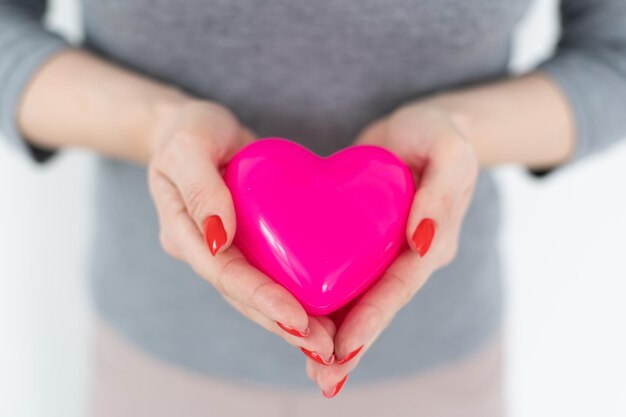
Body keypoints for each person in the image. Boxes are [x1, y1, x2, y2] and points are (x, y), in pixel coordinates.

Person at [1, 1, 625, 416]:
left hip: (436, 371)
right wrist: (154, 125)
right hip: (158, 366)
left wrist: (461, 130)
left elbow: (614, 57)